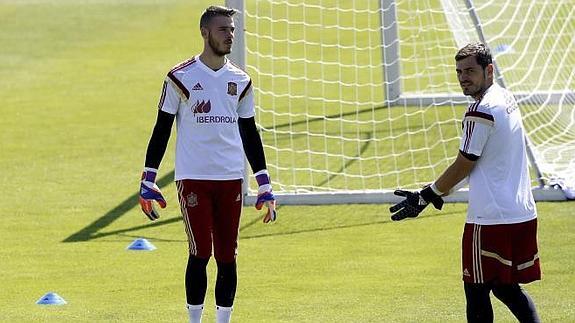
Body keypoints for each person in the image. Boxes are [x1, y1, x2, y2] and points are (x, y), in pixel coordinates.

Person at [138, 6, 277, 323]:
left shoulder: (241, 80)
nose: (230, 35)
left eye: (231, 29)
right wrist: (148, 178)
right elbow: (161, 129)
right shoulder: (180, 77)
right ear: (204, 33)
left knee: (228, 256)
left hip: (230, 179)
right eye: (222, 29)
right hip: (194, 178)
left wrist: (265, 184)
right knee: (200, 252)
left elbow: (249, 132)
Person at [389, 42, 541, 323]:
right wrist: (435, 193)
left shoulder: (480, 112)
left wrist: (425, 197)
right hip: (521, 213)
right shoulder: (506, 99)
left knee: (476, 291)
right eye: (459, 71)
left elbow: (464, 164)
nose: (463, 78)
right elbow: (478, 163)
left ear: (489, 70)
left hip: (490, 220)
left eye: (470, 70)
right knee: (506, 288)